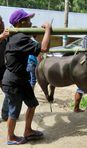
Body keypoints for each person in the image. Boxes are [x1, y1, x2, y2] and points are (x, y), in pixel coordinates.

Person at [2, 9, 51, 145]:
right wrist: (47, 29)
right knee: (14, 111)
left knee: (32, 104)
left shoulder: (16, 35)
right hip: (12, 81)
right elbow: (44, 48)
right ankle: (10, 137)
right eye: (28, 20)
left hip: (21, 79)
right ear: (20, 22)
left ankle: (28, 131)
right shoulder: (20, 38)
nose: (30, 22)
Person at [0, 15, 9, 121]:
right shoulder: (3, 37)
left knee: (8, 92)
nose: (2, 23)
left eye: (2, 20)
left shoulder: (6, 38)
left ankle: (5, 114)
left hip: (3, 69)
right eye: (0, 21)